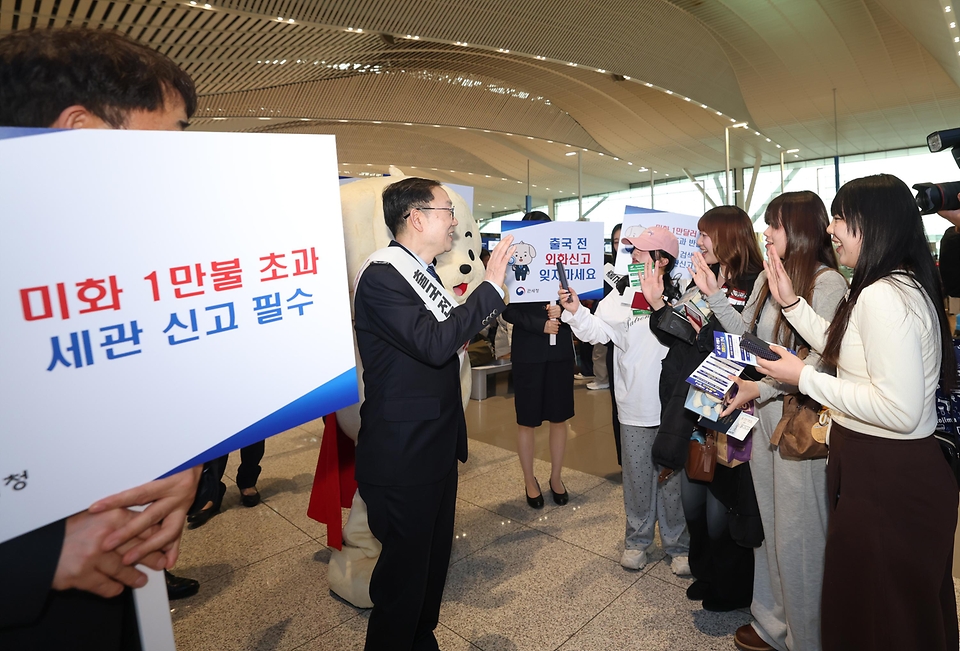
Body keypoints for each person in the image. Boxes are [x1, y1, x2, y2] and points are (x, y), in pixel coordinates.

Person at [0, 28, 201, 649]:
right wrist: (36, 558)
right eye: (167, 140)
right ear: (80, 132)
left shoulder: (90, 272)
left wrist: (178, 466)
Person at [757, 174, 958, 651]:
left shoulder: (885, 296)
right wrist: (791, 304)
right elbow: (850, 349)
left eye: (842, 218)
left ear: (872, 224)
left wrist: (802, 377)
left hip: (887, 478)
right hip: (886, 471)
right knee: (890, 612)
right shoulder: (893, 285)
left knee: (879, 615)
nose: (831, 229)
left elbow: (900, 409)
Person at [353, 176, 514, 651]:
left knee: (430, 563)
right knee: (402, 580)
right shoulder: (383, 276)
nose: (455, 221)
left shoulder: (420, 273)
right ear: (416, 218)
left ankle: (421, 639)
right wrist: (489, 290)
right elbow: (435, 342)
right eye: (447, 210)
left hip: (434, 447)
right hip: (403, 453)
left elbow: (448, 337)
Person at [691, 192, 847, 651]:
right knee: (771, 528)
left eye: (773, 225)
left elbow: (819, 364)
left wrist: (761, 388)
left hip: (802, 429)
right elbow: (749, 345)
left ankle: (807, 636)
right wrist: (716, 299)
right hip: (762, 420)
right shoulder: (764, 278)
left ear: (797, 229)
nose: (766, 233)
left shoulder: (828, 284)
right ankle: (771, 622)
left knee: (800, 535)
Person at [648, 206, 765, 612]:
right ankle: (706, 571)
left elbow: (753, 347)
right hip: (697, 404)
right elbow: (678, 332)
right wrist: (658, 302)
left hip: (734, 407)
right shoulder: (702, 280)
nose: (698, 243)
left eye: (705, 235)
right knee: (691, 495)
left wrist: (713, 302)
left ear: (729, 236)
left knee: (722, 507)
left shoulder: (756, 283)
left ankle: (733, 588)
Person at [559, 226, 690, 573]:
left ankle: (678, 545)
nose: (631, 255)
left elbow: (689, 339)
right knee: (636, 477)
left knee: (673, 479)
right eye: (632, 249)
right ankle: (637, 541)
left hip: (673, 406)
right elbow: (597, 332)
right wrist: (574, 311)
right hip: (633, 404)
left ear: (662, 260)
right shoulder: (620, 294)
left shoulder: (684, 295)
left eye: (641, 251)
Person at [502, 211, 575, 509]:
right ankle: (529, 479)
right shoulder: (513, 261)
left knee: (560, 418)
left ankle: (555, 477)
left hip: (559, 353)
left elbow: (580, 300)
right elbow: (505, 309)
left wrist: (565, 312)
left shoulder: (563, 262)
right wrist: (539, 324)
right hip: (528, 352)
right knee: (527, 420)